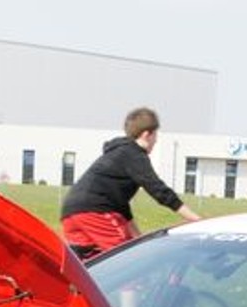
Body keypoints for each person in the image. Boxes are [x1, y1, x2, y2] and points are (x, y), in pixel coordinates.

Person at [59, 106, 200, 258]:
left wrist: (139, 238)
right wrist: (196, 219)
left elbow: (121, 207)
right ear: (147, 135)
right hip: (95, 211)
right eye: (155, 135)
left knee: (93, 265)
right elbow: (159, 190)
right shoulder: (134, 154)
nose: (156, 141)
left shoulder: (119, 152)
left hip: (71, 213)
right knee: (128, 259)